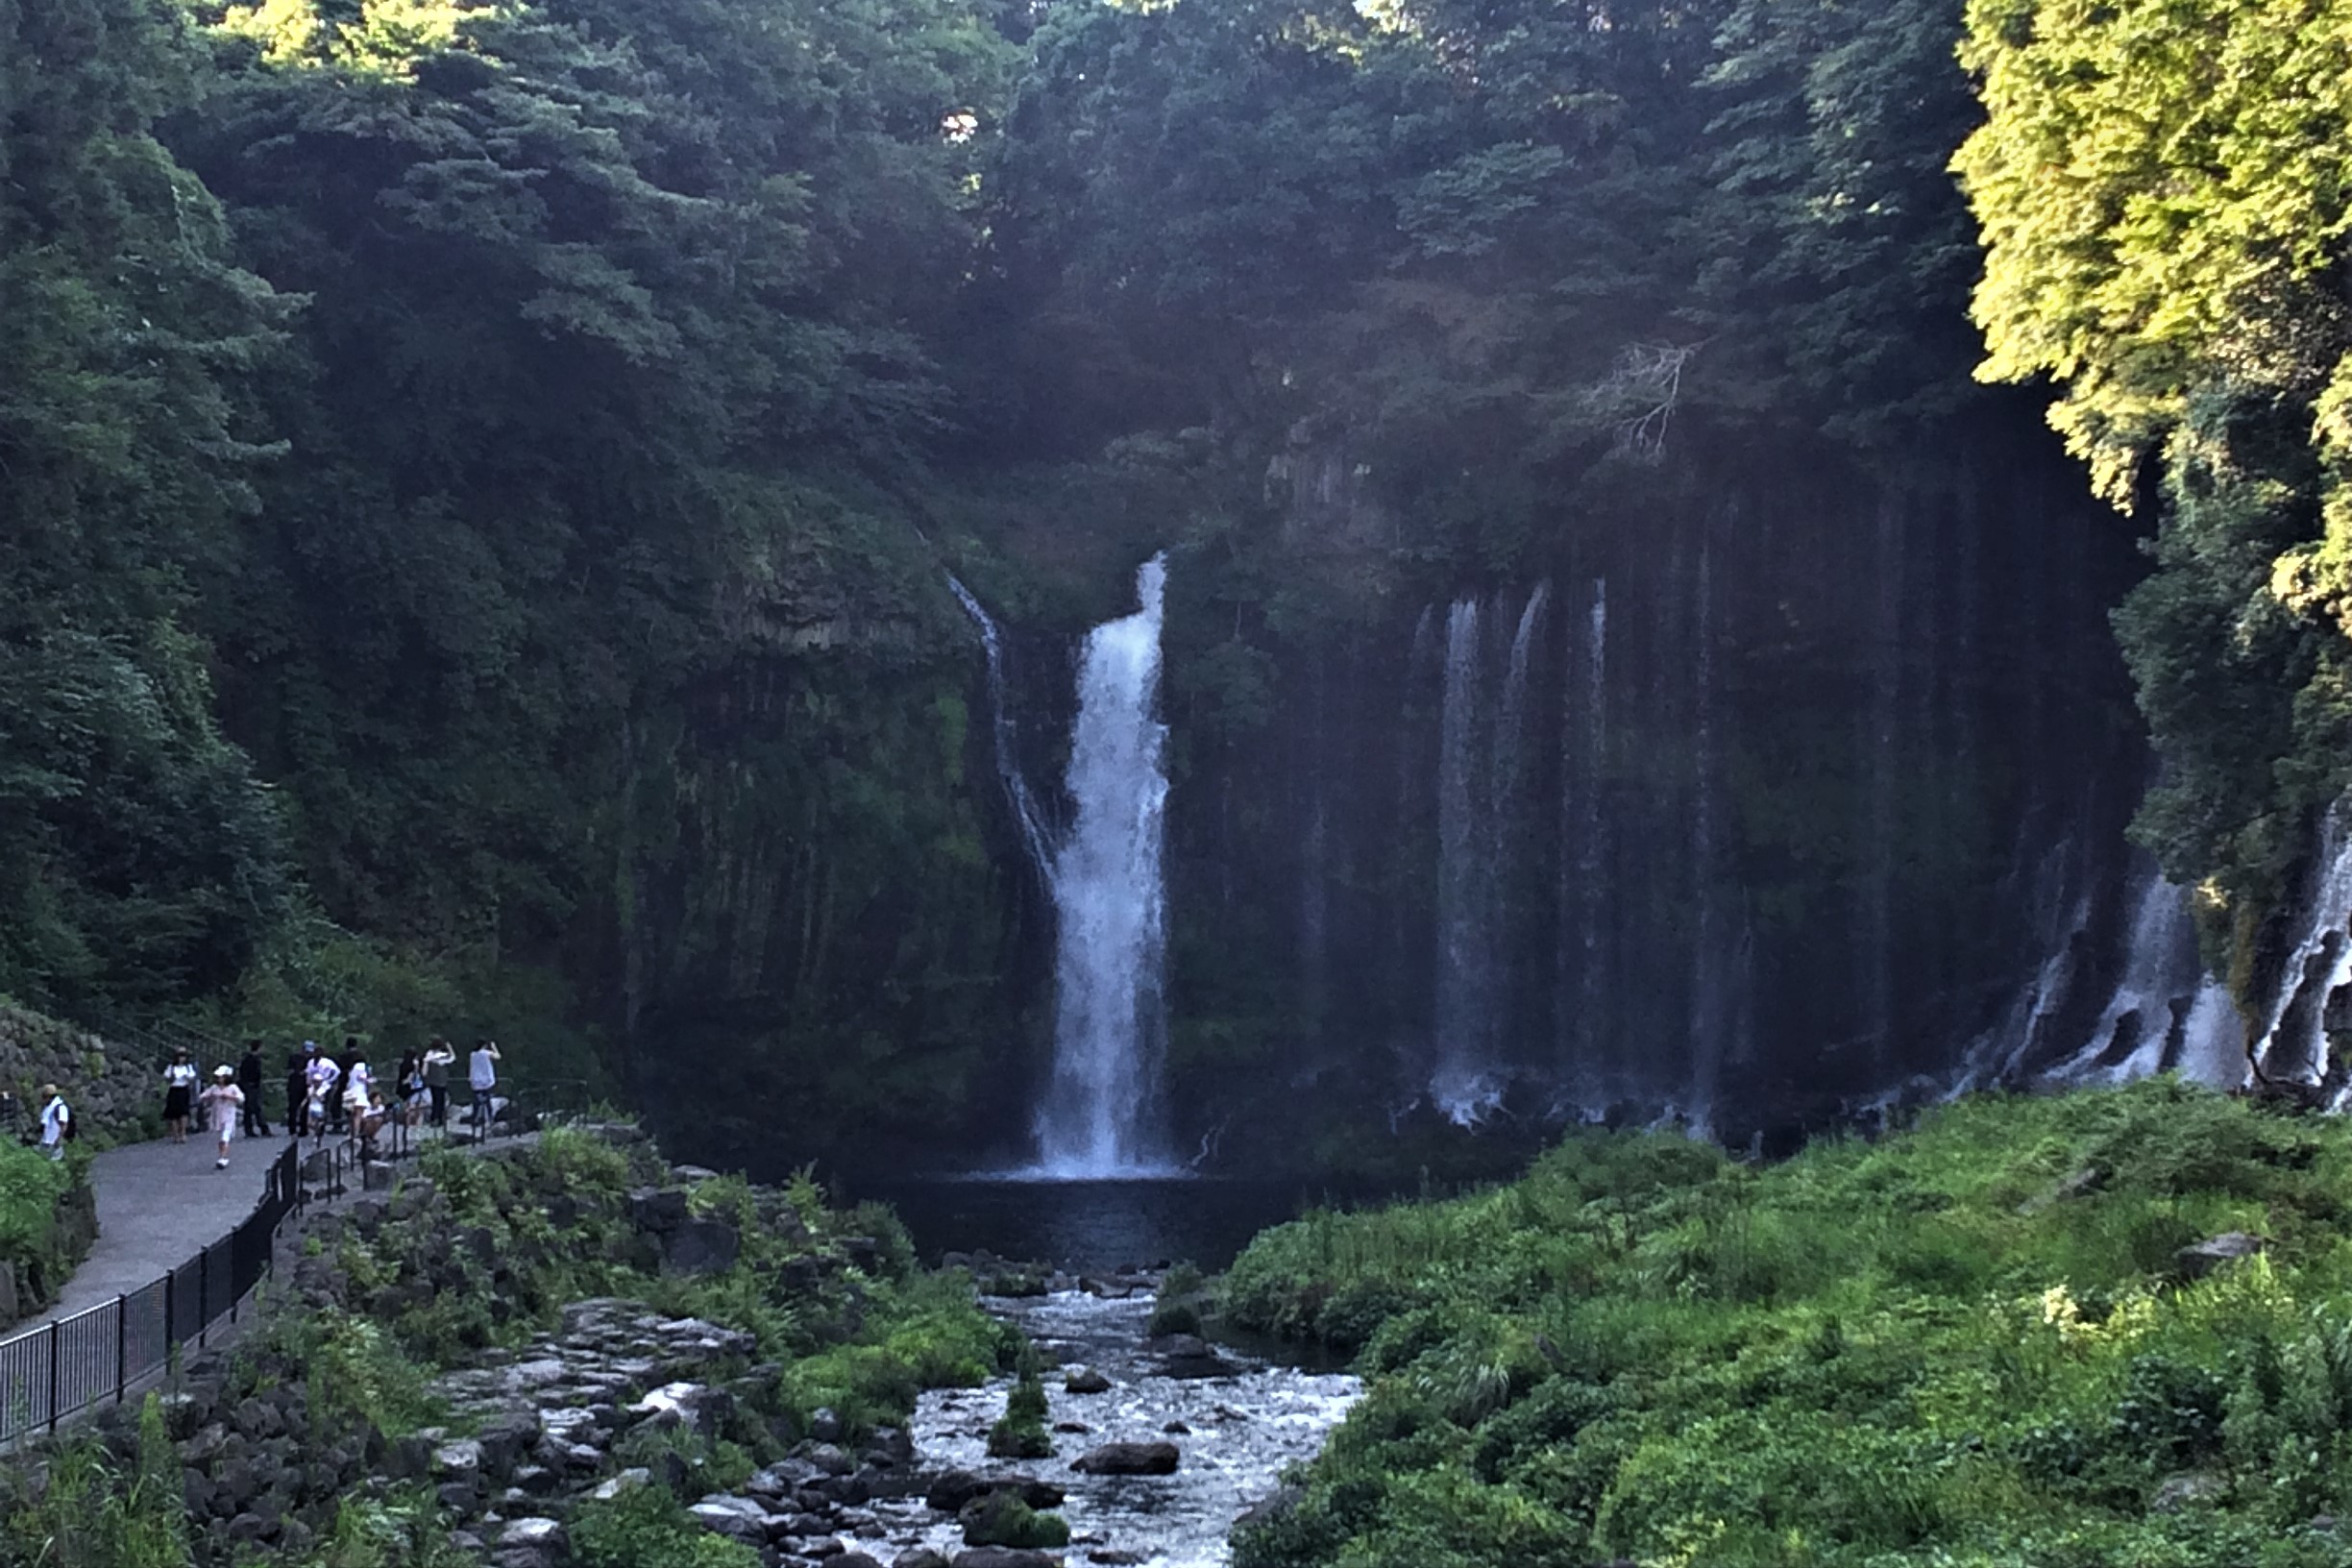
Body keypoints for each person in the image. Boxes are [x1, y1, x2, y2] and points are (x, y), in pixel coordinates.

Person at [198, 1065, 243, 1170]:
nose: (219, 1079)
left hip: (229, 1115)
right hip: (217, 1115)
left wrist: (229, 1097)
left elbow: (241, 1098)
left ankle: (223, 1158)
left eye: (222, 1077)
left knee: (225, 1137)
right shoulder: (214, 1088)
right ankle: (223, 1156)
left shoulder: (232, 1088)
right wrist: (208, 1097)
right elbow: (203, 1096)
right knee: (221, 1137)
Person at [161, 1047, 198, 1143]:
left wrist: (187, 1078)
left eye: (183, 1056)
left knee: (184, 1112)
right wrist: (172, 1077)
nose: (182, 1059)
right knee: (173, 1114)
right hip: (174, 1089)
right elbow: (166, 1078)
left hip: (183, 1089)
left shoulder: (188, 1067)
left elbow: (192, 1078)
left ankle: (183, 1133)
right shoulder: (171, 1067)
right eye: (180, 1056)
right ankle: (176, 1134)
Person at [236, 1040, 271, 1139]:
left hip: (250, 1085)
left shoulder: (248, 1059)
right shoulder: (252, 1060)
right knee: (254, 1107)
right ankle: (261, 1128)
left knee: (250, 1108)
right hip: (251, 1086)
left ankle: (251, 1129)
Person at [468, 1038, 502, 1135]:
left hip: (475, 1081)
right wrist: (494, 1047)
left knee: (476, 1102)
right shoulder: (486, 1053)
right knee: (487, 1101)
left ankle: (475, 1119)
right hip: (486, 1081)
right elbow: (498, 1056)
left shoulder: (473, 1054)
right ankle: (489, 1119)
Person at [422, 1038, 454, 1129]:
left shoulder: (429, 1054)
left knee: (435, 1101)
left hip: (432, 1081)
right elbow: (452, 1058)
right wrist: (450, 1048)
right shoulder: (441, 1056)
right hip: (441, 1082)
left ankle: (434, 1118)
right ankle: (439, 1119)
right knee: (441, 1101)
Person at [37, 1084, 70, 1161]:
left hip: (54, 1142)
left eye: (44, 1096)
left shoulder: (60, 1107)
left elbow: (64, 1125)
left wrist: (59, 1139)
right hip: (46, 1141)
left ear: (48, 1096)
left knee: (54, 1162)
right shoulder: (49, 1107)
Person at [284, 1050, 308, 1138]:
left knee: (293, 1109)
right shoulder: (308, 1061)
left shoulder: (292, 1071)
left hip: (294, 1086)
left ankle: (293, 1129)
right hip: (302, 1085)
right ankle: (303, 1129)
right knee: (303, 1108)